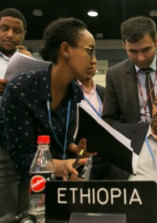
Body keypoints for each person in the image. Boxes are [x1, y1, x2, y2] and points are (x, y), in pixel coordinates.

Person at [0, 17, 95, 218]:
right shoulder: (20, 88)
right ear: (66, 50)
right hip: (9, 164)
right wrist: (60, 165)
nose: (93, 59)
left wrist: (74, 151)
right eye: (89, 50)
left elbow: (61, 140)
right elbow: (22, 159)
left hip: (47, 170)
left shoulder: (74, 92)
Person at [0, 8, 32, 96]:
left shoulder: (32, 65)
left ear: (24, 35)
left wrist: (31, 69)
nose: (10, 35)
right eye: (4, 29)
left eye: (17, 31)